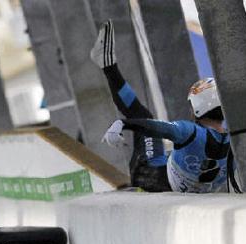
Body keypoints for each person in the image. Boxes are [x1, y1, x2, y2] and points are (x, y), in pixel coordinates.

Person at [90, 20, 230, 193]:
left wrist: (123, 123)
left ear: (196, 109)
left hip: (150, 177)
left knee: (142, 114)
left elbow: (154, 126)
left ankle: (109, 67)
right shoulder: (235, 142)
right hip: (182, 188)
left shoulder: (190, 132)